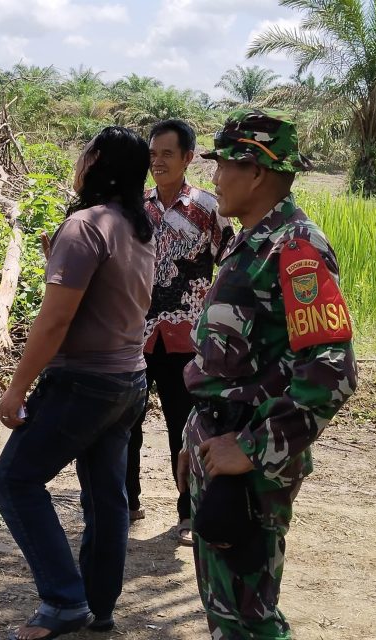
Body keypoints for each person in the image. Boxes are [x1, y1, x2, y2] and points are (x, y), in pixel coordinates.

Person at [178, 109, 358, 638]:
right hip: (221, 441)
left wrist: (251, 448)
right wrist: (199, 429)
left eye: (225, 165)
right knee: (225, 609)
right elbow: (234, 359)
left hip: (253, 462)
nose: (215, 177)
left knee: (248, 619)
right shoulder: (251, 240)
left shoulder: (296, 249)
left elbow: (333, 372)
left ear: (256, 171)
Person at [0, 126, 156, 640]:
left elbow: (54, 321)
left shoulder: (85, 226)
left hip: (83, 383)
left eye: (86, 151)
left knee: (16, 480)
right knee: (107, 498)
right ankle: (97, 606)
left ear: (99, 162)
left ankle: (64, 600)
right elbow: (106, 303)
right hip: (127, 382)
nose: (79, 159)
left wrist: (17, 387)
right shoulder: (137, 228)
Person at [127, 119, 230, 546]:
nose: (158, 162)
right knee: (126, 422)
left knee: (183, 425)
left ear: (188, 157)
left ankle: (187, 514)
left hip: (188, 339)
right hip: (136, 334)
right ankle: (126, 503)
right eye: (153, 154)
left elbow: (232, 259)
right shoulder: (137, 207)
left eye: (167, 154)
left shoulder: (209, 209)